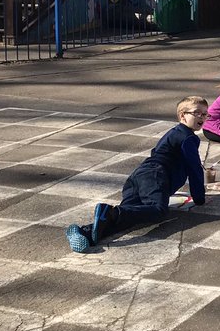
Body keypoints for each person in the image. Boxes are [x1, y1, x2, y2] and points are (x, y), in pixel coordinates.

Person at [65, 96, 209, 253]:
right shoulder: (188, 138)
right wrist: (199, 198)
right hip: (155, 175)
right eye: (197, 113)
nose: (202, 117)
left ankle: (84, 232)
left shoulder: (174, 133)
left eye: (205, 114)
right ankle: (111, 212)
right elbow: (194, 168)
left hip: (140, 175)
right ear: (183, 115)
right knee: (157, 209)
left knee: (129, 216)